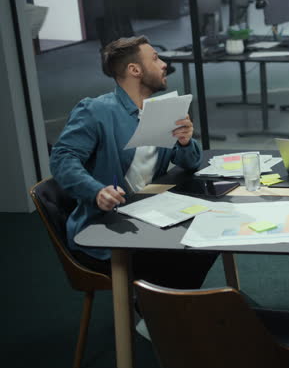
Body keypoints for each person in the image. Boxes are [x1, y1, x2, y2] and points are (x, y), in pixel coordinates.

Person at [50, 36, 216, 291]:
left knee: (209, 237)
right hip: (107, 228)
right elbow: (62, 159)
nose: (163, 64)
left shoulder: (162, 109)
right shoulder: (96, 111)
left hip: (150, 215)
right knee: (184, 250)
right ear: (134, 70)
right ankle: (160, 311)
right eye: (155, 58)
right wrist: (96, 191)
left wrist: (185, 141)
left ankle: (164, 309)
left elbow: (191, 163)